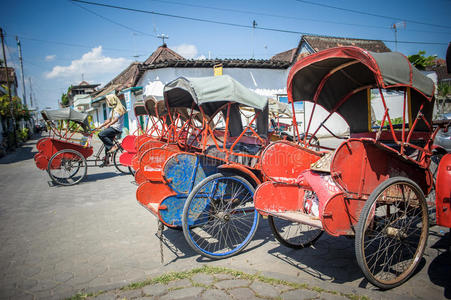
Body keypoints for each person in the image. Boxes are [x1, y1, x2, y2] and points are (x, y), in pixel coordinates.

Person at [95, 94, 126, 166]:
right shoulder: (113, 109)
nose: (108, 102)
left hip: (116, 128)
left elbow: (116, 119)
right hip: (112, 127)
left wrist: (108, 125)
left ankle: (113, 146)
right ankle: (106, 160)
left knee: (101, 134)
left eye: (108, 100)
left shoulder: (119, 108)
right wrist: (100, 126)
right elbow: (108, 120)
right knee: (107, 144)